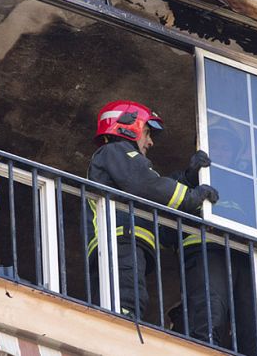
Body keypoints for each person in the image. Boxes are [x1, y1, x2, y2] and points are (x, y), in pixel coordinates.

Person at [86, 100, 219, 317]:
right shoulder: (114, 151)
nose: (150, 142)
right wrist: (190, 197)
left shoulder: (122, 167)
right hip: (118, 244)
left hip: (126, 243)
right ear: (128, 126)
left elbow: (156, 202)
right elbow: (148, 185)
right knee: (125, 304)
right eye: (147, 133)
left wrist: (189, 178)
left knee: (133, 302)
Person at [179, 119, 257, 355]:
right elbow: (169, 202)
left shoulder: (246, 184)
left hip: (243, 255)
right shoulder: (186, 179)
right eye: (215, 147)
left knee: (251, 319)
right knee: (211, 310)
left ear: (234, 154)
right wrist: (192, 177)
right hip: (206, 251)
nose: (221, 152)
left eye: (226, 148)